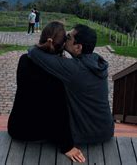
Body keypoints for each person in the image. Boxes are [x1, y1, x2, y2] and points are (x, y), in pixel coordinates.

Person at [8, 21, 86, 163]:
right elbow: (59, 112)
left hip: (17, 127)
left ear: (41, 38)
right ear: (62, 45)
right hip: (40, 132)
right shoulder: (59, 73)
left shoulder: (23, 60)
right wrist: (67, 146)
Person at [28, 24, 114, 146]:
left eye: (68, 37)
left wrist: (50, 43)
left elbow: (34, 52)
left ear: (78, 47)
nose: (64, 38)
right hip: (107, 130)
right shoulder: (97, 61)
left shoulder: (75, 69)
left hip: (86, 136)